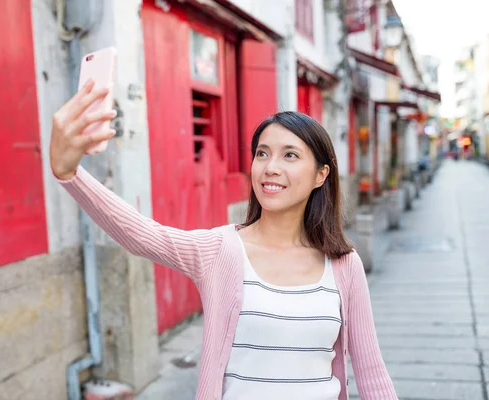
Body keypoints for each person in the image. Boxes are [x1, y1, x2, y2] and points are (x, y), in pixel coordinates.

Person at [50, 81, 397, 400]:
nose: (270, 167)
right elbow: (142, 235)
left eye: (290, 155)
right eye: (262, 153)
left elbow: (371, 373)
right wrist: (69, 174)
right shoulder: (220, 251)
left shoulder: (343, 264)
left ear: (321, 174)